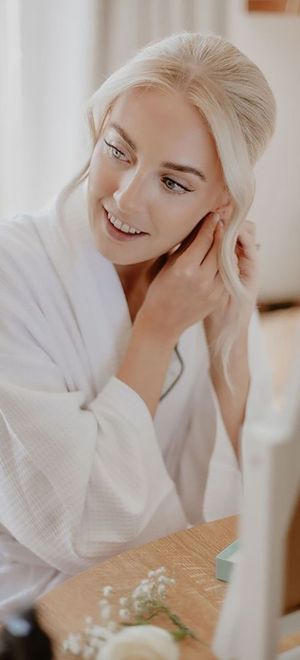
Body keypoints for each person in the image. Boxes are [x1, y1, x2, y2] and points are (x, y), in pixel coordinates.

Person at [0, 32, 276, 619]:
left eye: (173, 182)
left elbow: (258, 507)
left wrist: (230, 326)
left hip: (169, 582)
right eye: (117, 149)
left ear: (223, 200)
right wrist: (154, 333)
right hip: (35, 609)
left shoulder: (204, 277)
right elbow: (79, 526)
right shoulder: (12, 274)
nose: (125, 198)